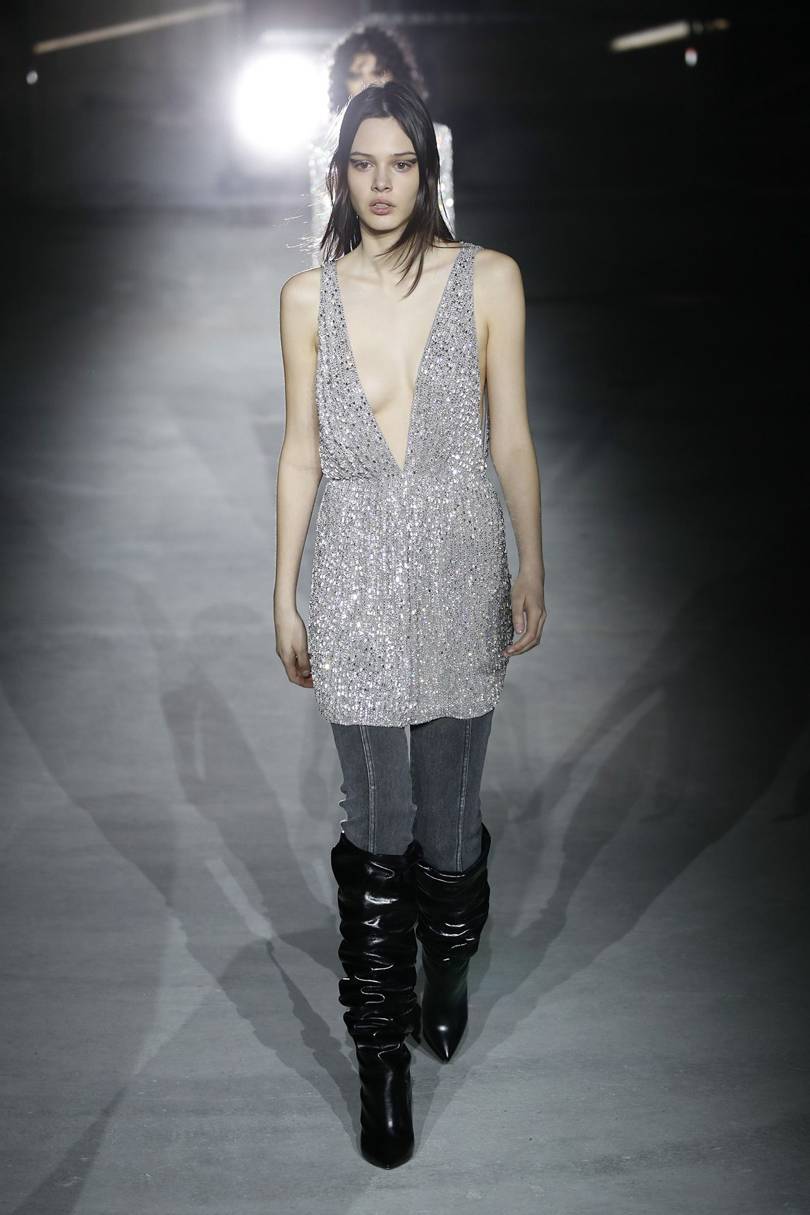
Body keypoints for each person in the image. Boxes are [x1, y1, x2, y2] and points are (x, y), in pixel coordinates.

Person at [274, 80, 546, 1170]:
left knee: (448, 829)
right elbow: (301, 450)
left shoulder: (491, 279)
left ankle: (451, 958)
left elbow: (512, 435)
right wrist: (283, 589)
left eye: (401, 163)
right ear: (338, 173)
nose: (381, 184)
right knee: (378, 827)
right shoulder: (306, 297)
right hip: (351, 573)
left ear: (428, 171)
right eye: (363, 163)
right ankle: (378, 1057)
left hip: (460, 561)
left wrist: (533, 561)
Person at [307, 23, 454, 266]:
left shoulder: (436, 135)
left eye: (377, 72)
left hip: (419, 263)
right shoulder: (325, 143)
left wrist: (443, 270)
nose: (367, 83)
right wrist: (326, 278)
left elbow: (441, 207)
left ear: (397, 74)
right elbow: (325, 218)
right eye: (355, 75)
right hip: (349, 263)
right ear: (341, 83)